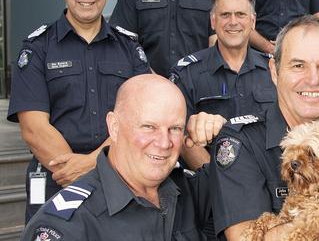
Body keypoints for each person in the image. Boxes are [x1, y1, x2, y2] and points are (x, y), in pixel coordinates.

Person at [202, 15, 319, 240]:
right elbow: (244, 237)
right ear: (274, 71)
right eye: (298, 65)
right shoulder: (241, 144)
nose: (313, 79)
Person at [7, 0, 150, 222]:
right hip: (56, 177)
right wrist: (74, 170)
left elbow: (140, 119)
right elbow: (34, 128)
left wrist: (94, 165)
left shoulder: (130, 48)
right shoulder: (37, 48)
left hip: (120, 181)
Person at [21, 74, 215, 241]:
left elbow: (240, 178)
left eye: (175, 128)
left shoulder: (191, 190)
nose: (164, 143)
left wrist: (225, 134)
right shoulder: (66, 225)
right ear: (114, 127)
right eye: (149, 127)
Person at [170, 0, 276, 170]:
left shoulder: (275, 70)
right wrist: (222, 183)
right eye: (225, 14)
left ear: (252, 21)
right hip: (211, 183)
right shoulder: (188, 73)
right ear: (213, 21)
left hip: (269, 177)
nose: (233, 22)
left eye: (241, 14)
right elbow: (182, 137)